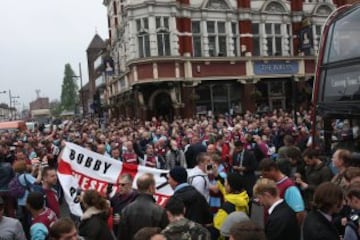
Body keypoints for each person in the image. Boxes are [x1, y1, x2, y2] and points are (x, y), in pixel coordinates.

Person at [119, 173, 168, 240]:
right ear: (151, 187)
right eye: (154, 185)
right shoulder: (160, 211)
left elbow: (122, 236)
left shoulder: (126, 210)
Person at [259, 159, 305, 225]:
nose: (264, 177)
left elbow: (299, 213)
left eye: (265, 174)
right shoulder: (272, 183)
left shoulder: (289, 187)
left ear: (273, 170)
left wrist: (291, 229)